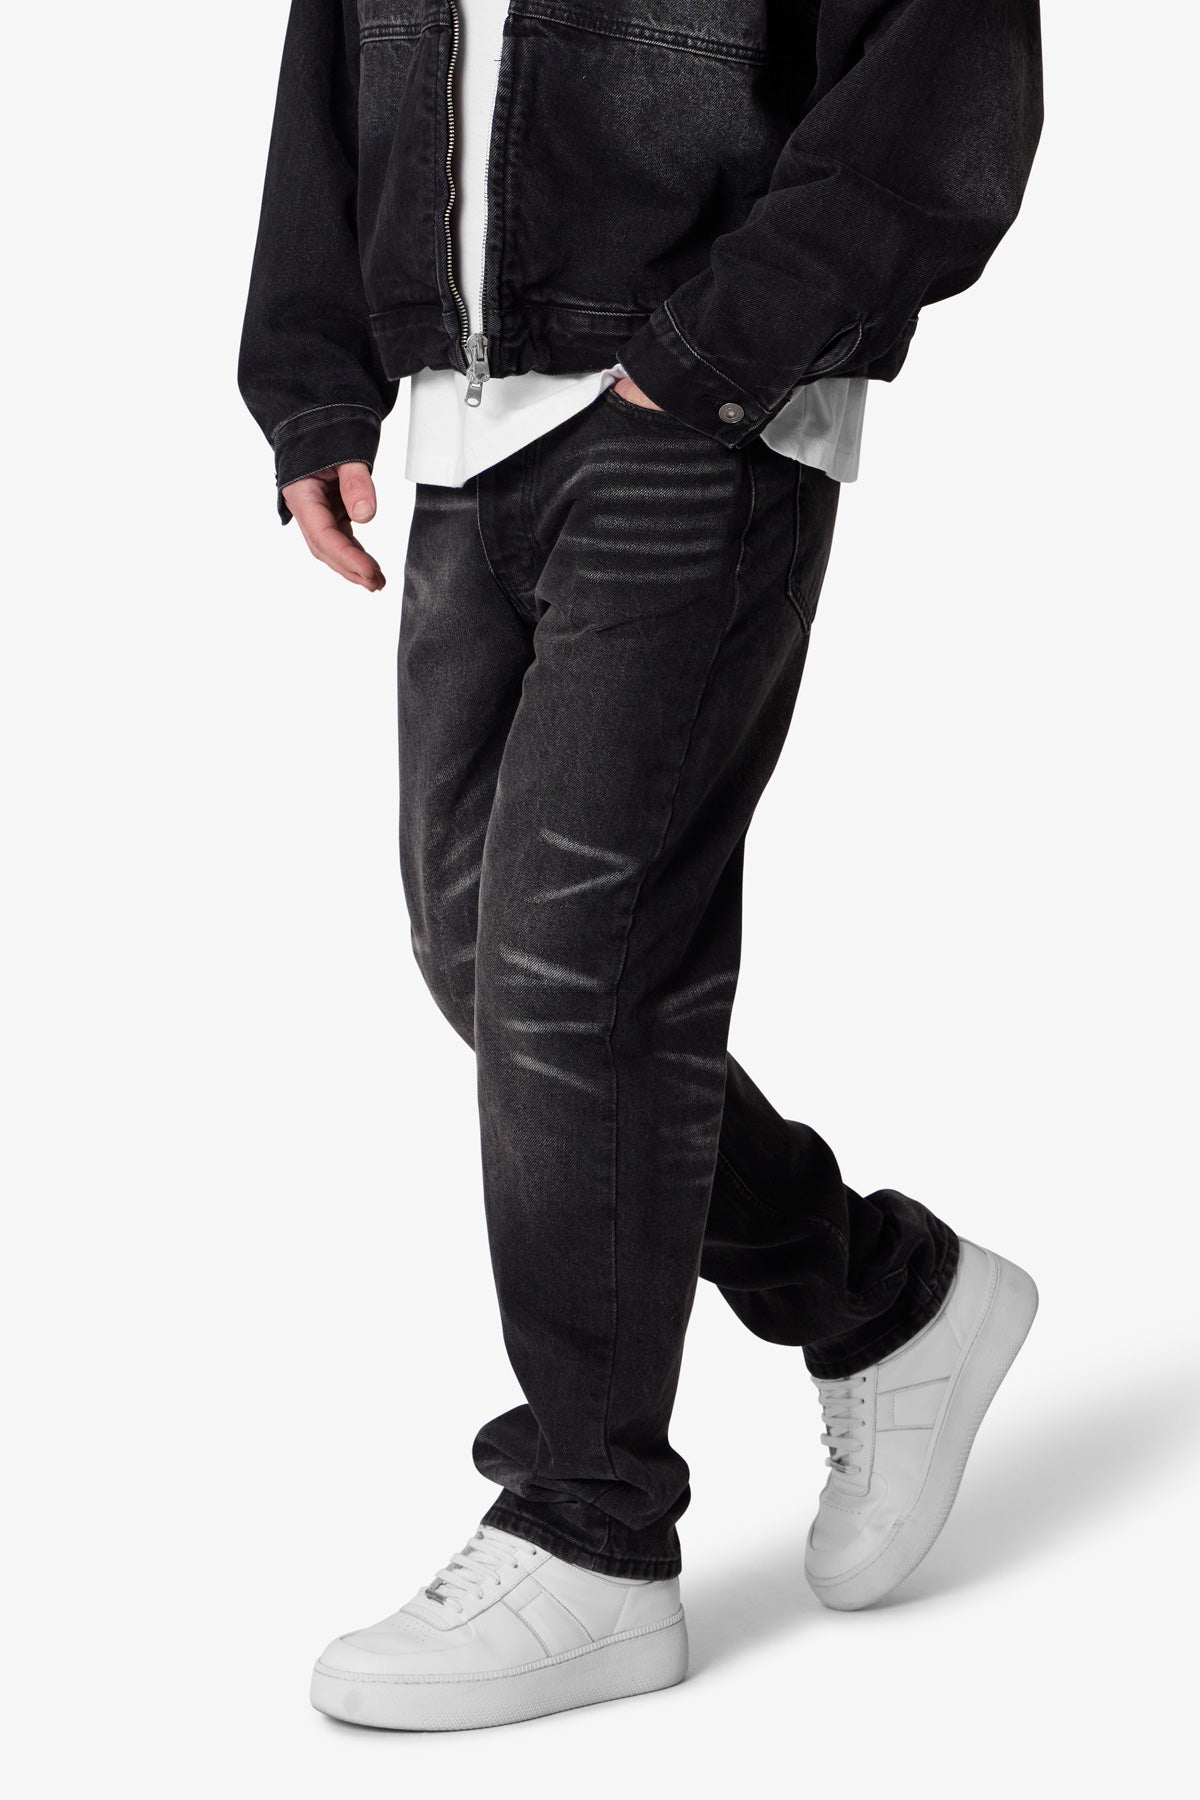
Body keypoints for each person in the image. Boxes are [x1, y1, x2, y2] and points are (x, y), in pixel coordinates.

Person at [239, 0, 1044, 1733]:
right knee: (488, 955)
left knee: (572, 973)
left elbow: (950, 75)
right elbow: (335, 61)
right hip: (464, 428)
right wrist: (313, 375)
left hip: (694, 413)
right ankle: (878, 1297)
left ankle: (591, 1527)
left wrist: (716, 344)